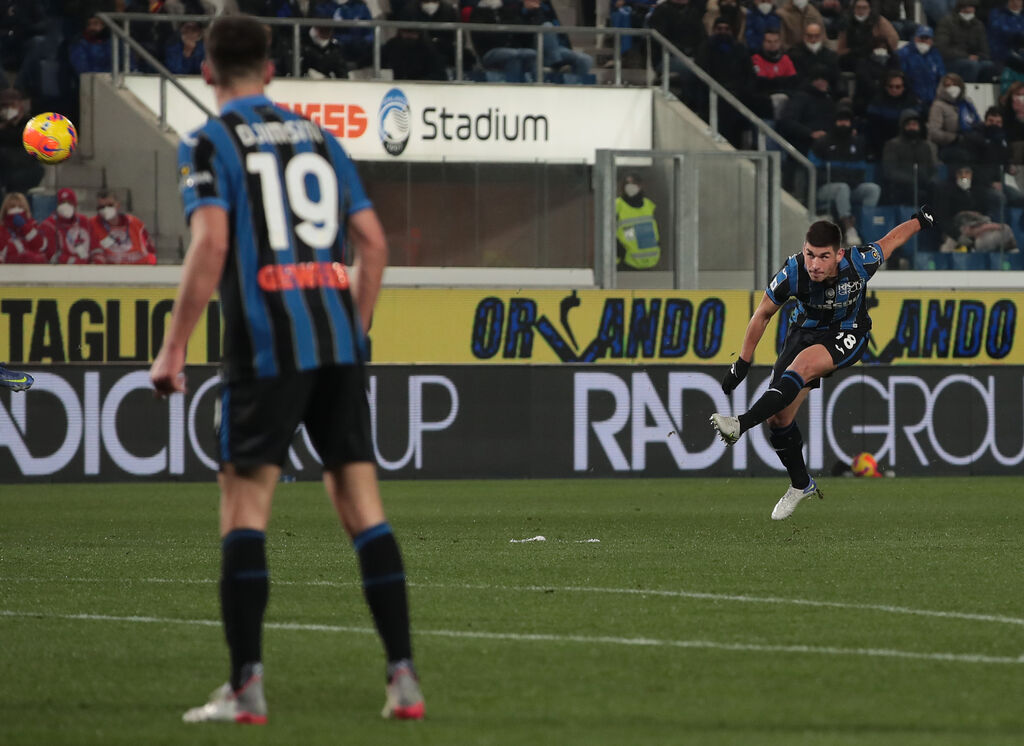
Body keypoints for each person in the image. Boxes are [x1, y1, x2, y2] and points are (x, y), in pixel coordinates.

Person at [149, 14, 424, 724]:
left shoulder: (209, 141)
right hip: (335, 341)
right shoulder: (321, 138)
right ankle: (403, 679)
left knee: (245, 509)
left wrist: (174, 347)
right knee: (362, 506)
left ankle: (245, 687)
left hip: (266, 344)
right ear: (270, 70)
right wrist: (354, 328)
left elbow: (212, 244)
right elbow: (373, 245)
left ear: (207, 71)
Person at [709, 208, 935, 519]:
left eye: (823, 257)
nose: (814, 264)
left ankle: (740, 424)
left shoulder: (860, 262)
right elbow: (763, 314)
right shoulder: (793, 272)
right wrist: (743, 363)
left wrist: (920, 220)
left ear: (839, 254)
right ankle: (801, 484)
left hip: (848, 332)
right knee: (778, 420)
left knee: (801, 367)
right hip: (803, 333)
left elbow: (892, 240)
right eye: (810, 254)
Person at [812, 107, 881, 245]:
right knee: (842, 187)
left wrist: (842, 176)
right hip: (824, 189)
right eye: (840, 120)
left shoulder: (857, 143)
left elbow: (860, 172)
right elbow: (816, 172)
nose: (843, 124)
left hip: (851, 187)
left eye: (846, 121)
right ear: (834, 122)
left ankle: (866, 227)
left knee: (873, 189)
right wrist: (843, 177)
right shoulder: (822, 142)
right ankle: (849, 228)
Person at [881, 108, 939, 204]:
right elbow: (890, 171)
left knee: (937, 188)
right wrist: (913, 180)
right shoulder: (893, 145)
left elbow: (933, 168)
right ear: (903, 126)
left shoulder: (925, 146)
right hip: (901, 187)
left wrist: (931, 180)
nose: (912, 127)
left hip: (923, 185)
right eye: (909, 124)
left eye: (915, 124)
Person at [926, 71, 982, 167]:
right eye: (948, 85)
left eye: (955, 85)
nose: (952, 88)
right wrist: (955, 138)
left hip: (970, 142)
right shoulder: (938, 105)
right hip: (949, 146)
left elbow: (977, 121)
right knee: (964, 156)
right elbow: (934, 133)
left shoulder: (967, 103)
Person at [89, 189, 158, 265]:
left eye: (110, 205)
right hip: (111, 269)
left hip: (138, 267)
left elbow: (151, 251)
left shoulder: (135, 223)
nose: (106, 209)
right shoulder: (92, 224)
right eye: (101, 207)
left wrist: (151, 267)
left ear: (118, 205)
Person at [864, 70, 922, 158]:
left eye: (898, 87)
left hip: (909, 145)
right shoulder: (876, 103)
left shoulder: (912, 102)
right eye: (890, 86)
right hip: (882, 146)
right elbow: (873, 131)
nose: (894, 89)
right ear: (885, 87)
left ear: (904, 87)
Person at [934, 0, 996, 82]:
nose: (969, 10)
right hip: (950, 60)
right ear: (960, 8)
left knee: (989, 65)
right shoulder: (947, 22)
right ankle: (965, 87)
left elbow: (985, 50)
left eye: (971, 7)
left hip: (971, 60)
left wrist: (978, 57)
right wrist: (966, 56)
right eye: (966, 8)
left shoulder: (978, 25)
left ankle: (981, 89)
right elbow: (942, 49)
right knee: (971, 65)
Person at [0, 87, 44, 199]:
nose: (8, 109)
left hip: (24, 170)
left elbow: (20, 137)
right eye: (4, 106)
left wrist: (8, 127)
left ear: (20, 106)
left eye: (12, 105)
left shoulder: (30, 124)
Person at [43, 187, 100, 263]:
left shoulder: (84, 221)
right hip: (63, 268)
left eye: (69, 203)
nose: (66, 206)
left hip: (87, 267)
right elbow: (51, 255)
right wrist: (77, 262)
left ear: (75, 205)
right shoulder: (48, 225)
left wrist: (97, 261)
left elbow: (96, 248)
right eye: (62, 203)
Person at [615, 173, 660, 269]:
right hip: (626, 263)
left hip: (651, 262)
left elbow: (655, 230)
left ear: (640, 186)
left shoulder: (648, 204)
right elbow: (607, 233)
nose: (630, 187)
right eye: (627, 184)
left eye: (634, 183)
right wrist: (621, 252)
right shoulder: (617, 205)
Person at [751, 28, 798, 119]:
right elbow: (762, 83)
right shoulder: (756, 59)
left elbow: (793, 80)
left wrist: (773, 81)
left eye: (776, 41)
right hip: (765, 102)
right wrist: (781, 81)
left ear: (780, 43)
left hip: (786, 99)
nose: (772, 45)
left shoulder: (785, 59)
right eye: (769, 42)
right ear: (763, 43)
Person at [0, 191, 56, 263]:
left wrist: (25, 227)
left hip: (33, 266)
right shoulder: (2, 229)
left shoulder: (33, 224)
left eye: (20, 207)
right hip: (11, 266)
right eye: (12, 207)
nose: (16, 209)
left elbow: (41, 246)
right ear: (6, 210)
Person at [898, 25, 945, 106]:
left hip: (932, 100)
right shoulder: (904, 53)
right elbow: (901, 76)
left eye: (926, 38)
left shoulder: (935, 54)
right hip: (911, 100)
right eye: (921, 38)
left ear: (932, 40)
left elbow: (941, 75)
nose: (923, 41)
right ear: (915, 38)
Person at [788, 22, 839, 93]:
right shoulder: (794, 54)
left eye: (816, 36)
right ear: (804, 36)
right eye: (809, 36)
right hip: (803, 92)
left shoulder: (830, 55)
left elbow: (835, 78)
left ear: (821, 36)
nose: (813, 40)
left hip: (827, 92)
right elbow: (796, 79)